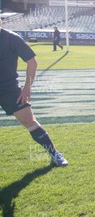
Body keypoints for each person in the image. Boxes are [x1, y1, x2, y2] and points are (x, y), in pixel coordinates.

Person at [0, 26, 68, 167]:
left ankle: (55, 154)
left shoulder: (11, 38)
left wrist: (27, 88)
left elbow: (32, 62)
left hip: (8, 88)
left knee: (29, 121)